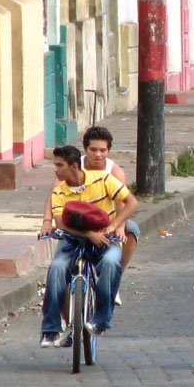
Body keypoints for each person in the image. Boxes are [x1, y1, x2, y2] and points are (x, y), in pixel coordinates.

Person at [40, 145, 138, 347]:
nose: (55, 170)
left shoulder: (103, 179)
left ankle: (101, 320)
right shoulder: (59, 192)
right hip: (73, 240)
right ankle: (50, 330)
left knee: (111, 264)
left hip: (105, 239)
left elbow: (132, 203)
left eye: (59, 165)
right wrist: (89, 234)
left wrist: (113, 225)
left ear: (74, 166)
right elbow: (61, 224)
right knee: (57, 269)